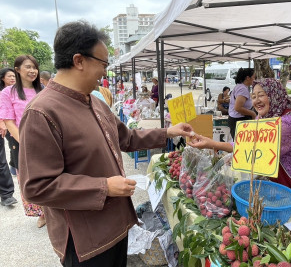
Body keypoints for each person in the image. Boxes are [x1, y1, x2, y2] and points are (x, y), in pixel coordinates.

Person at [18, 21, 193, 266]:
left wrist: (168, 132)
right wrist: (104, 187)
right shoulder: (42, 112)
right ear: (79, 61)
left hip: (117, 227)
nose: (105, 71)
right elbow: (37, 186)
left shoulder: (95, 102)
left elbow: (127, 138)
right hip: (86, 243)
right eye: (103, 63)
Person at [189, 78, 291, 197]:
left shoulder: (289, 123)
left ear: (274, 95)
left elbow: (251, 147)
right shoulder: (263, 118)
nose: (256, 101)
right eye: (253, 96)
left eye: (261, 95)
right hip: (287, 187)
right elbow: (243, 144)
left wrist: (212, 143)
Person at [0, 56, 45, 227]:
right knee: (29, 178)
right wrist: (25, 142)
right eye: (28, 67)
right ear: (17, 69)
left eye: (34, 67)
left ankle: (53, 210)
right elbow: (9, 120)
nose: (32, 70)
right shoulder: (7, 93)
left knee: (50, 175)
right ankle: (40, 213)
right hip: (21, 141)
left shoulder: (43, 90)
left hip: (45, 139)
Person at [0, 68, 17, 207]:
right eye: (9, 76)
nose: (12, 78)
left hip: (9, 127)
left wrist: (2, 122)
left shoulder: (17, 91)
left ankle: (6, 195)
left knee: (1, 161)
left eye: (13, 75)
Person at [228, 68, 256, 139]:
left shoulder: (241, 87)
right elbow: (238, 108)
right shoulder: (242, 89)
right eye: (253, 77)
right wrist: (252, 114)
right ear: (248, 78)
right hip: (239, 120)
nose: (254, 79)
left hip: (236, 119)